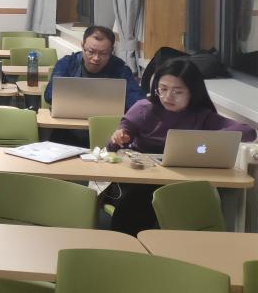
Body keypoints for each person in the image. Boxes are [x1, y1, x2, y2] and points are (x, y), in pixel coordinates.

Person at [105, 58, 256, 235]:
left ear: (192, 92)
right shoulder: (145, 108)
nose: (168, 97)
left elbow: (248, 132)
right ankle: (129, 242)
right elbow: (114, 143)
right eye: (163, 89)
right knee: (142, 198)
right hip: (141, 177)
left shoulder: (201, 115)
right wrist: (119, 137)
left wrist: (207, 138)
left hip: (180, 179)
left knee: (191, 198)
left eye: (177, 92)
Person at [44, 25, 143, 111]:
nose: (96, 58)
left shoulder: (120, 69)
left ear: (111, 50)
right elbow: (49, 95)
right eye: (91, 52)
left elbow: (136, 101)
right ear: (82, 46)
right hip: (69, 120)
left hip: (107, 123)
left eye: (103, 53)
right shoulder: (67, 64)